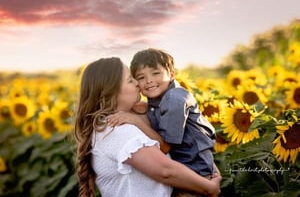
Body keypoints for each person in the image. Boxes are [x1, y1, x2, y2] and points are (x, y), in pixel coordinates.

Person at [74, 57, 222, 197]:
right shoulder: (117, 129)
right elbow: (166, 170)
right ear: (111, 91)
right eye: (130, 80)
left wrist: (208, 167)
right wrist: (208, 187)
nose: (138, 83)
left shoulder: (124, 121)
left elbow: (187, 140)